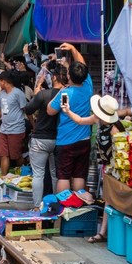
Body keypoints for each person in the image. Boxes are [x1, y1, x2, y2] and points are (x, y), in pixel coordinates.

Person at [63, 93, 127, 242]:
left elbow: (120, 154)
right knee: (107, 198)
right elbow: (80, 120)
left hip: (114, 170)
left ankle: (104, 233)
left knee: (109, 199)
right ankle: (103, 232)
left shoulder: (115, 129)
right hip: (106, 167)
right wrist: (68, 111)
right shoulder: (99, 119)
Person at [47, 43, 93, 193]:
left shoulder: (65, 93)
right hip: (84, 139)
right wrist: (73, 49)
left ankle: (64, 204)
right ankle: (78, 202)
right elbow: (82, 64)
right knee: (79, 175)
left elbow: (50, 111)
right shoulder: (88, 86)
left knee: (64, 177)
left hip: (65, 140)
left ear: (68, 76)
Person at [23, 64, 63, 208]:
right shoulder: (67, 95)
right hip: (59, 138)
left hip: (40, 138)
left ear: (54, 78)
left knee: (38, 174)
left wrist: (36, 93)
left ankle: (36, 206)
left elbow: (28, 109)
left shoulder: (43, 94)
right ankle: (56, 204)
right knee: (55, 174)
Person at [0, 70, 28, 174]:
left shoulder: (18, 93)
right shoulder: (2, 94)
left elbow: (26, 110)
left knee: (16, 156)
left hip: (16, 130)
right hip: (4, 129)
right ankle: (4, 177)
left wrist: (33, 125)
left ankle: (24, 173)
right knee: (3, 155)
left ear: (4, 81)